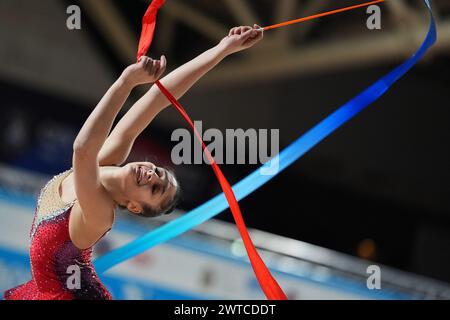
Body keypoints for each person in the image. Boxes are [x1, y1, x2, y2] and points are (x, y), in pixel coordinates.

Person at [4, 25, 263, 300]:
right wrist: (222, 49)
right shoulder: (107, 161)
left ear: (134, 206)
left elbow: (82, 149)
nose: (151, 176)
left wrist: (125, 82)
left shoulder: (99, 211)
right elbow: (157, 99)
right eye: (159, 173)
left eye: (154, 189)